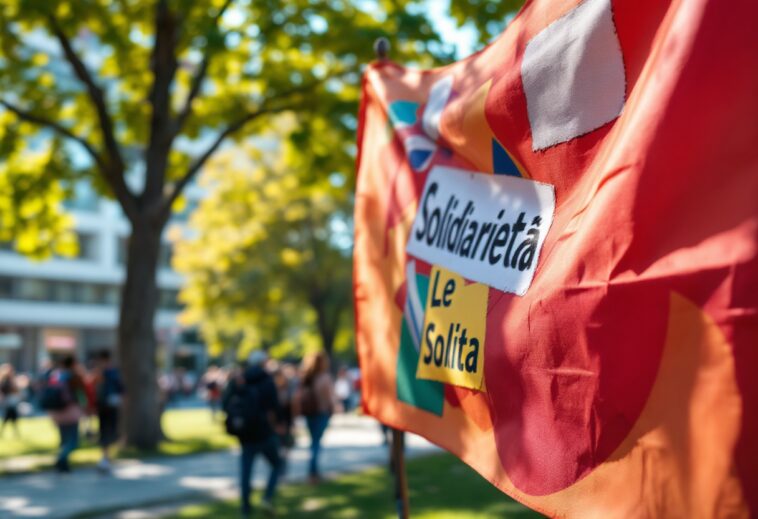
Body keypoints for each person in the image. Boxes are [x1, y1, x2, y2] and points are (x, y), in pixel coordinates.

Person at [223, 351, 282, 518]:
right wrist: (281, 423)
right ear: (263, 362)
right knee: (277, 464)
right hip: (263, 431)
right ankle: (267, 497)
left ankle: (245, 508)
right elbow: (274, 406)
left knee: (246, 472)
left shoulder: (241, 379)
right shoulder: (266, 380)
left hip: (244, 432)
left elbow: (226, 403)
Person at [44, 356, 89, 473]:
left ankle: (62, 460)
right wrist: (84, 407)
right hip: (71, 411)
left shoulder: (55, 376)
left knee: (63, 439)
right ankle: (62, 459)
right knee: (73, 440)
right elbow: (81, 394)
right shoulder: (74, 377)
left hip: (56, 412)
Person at [298, 351, 335, 484]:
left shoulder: (307, 377)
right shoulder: (324, 377)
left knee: (313, 442)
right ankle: (313, 473)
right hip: (321, 412)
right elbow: (330, 397)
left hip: (309, 413)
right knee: (316, 444)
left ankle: (313, 472)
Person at [92, 350, 123, 474]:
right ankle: (106, 458)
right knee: (107, 431)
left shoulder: (104, 373)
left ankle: (106, 458)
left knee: (107, 431)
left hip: (106, 406)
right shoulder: (110, 372)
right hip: (106, 406)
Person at [0, 364, 21, 438]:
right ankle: (5, 432)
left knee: (13, 417)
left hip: (12, 400)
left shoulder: (12, 379)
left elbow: (16, 390)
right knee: (7, 416)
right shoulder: (4, 380)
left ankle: (15, 433)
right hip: (7, 400)